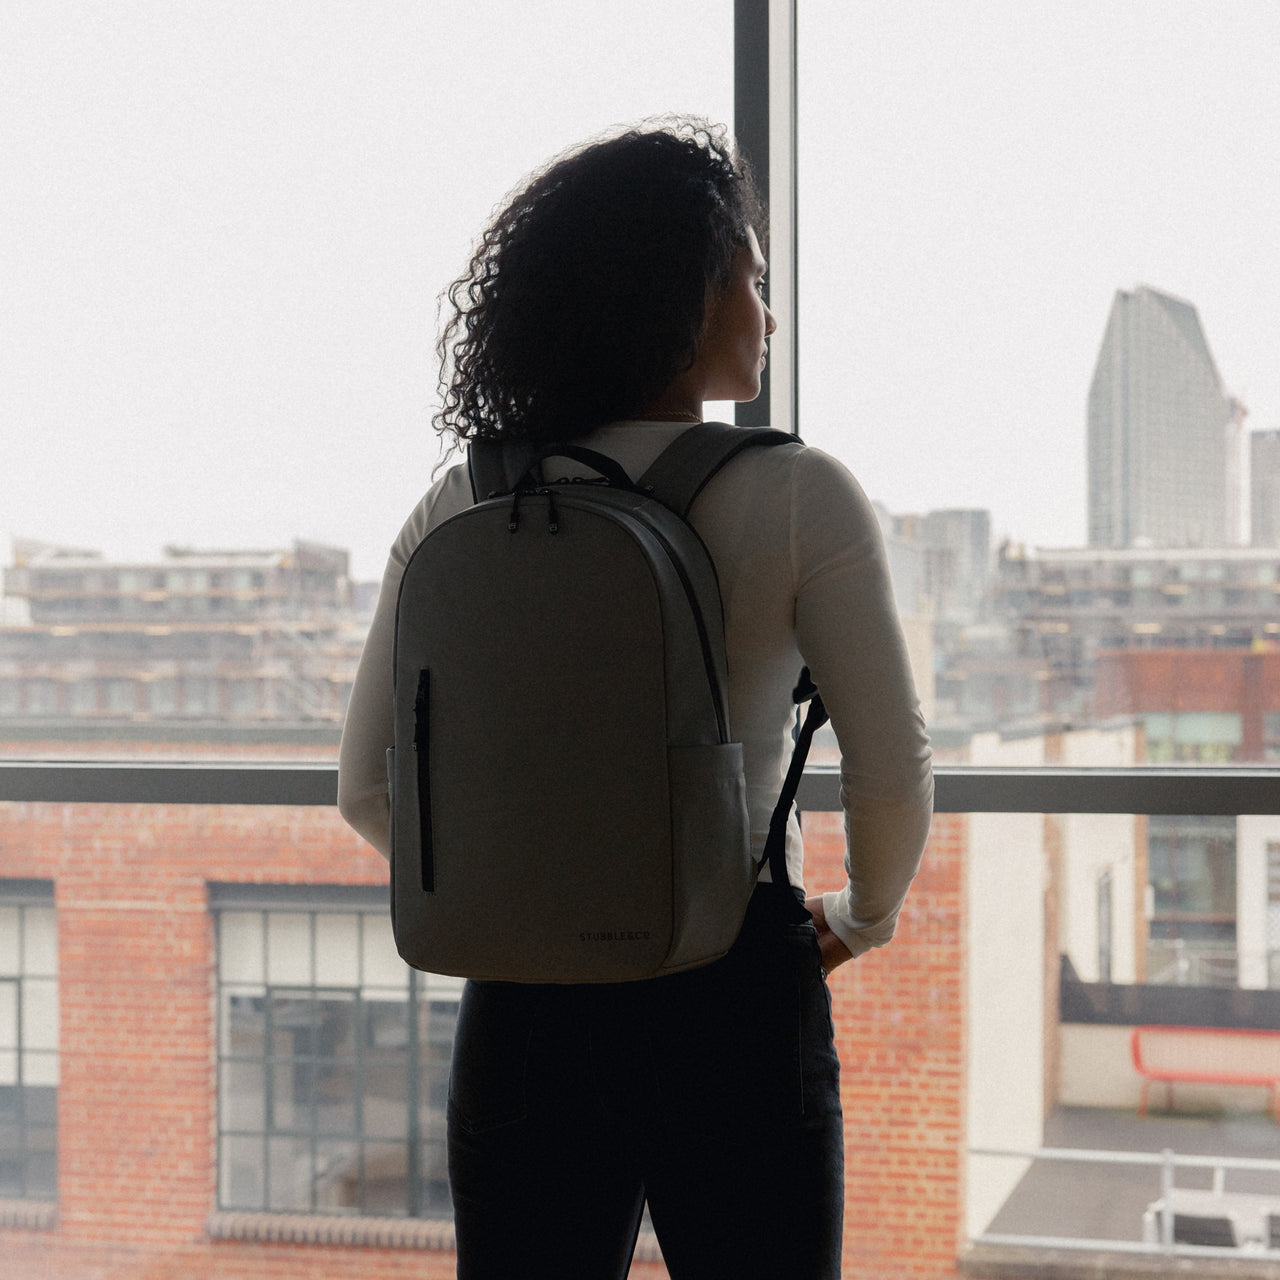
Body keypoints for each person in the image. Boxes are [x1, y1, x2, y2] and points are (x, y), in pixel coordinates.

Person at [337, 119, 933, 1280]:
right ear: (683, 290)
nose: (769, 310)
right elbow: (892, 761)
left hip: (524, 1009)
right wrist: (859, 915)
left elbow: (366, 786)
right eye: (752, 279)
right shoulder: (801, 493)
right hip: (733, 992)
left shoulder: (460, 499)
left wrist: (528, 890)